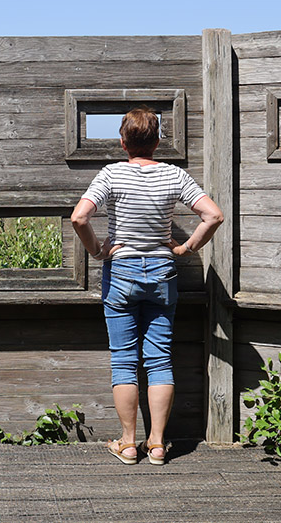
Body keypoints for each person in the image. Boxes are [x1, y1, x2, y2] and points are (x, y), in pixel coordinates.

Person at [70, 107, 223, 465]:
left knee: (124, 360)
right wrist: (186, 248)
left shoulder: (111, 175)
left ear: (123, 142)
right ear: (157, 142)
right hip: (162, 273)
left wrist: (97, 250)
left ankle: (127, 443)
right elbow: (213, 215)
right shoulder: (174, 175)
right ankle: (156, 444)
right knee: (159, 359)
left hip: (120, 271)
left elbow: (79, 217)